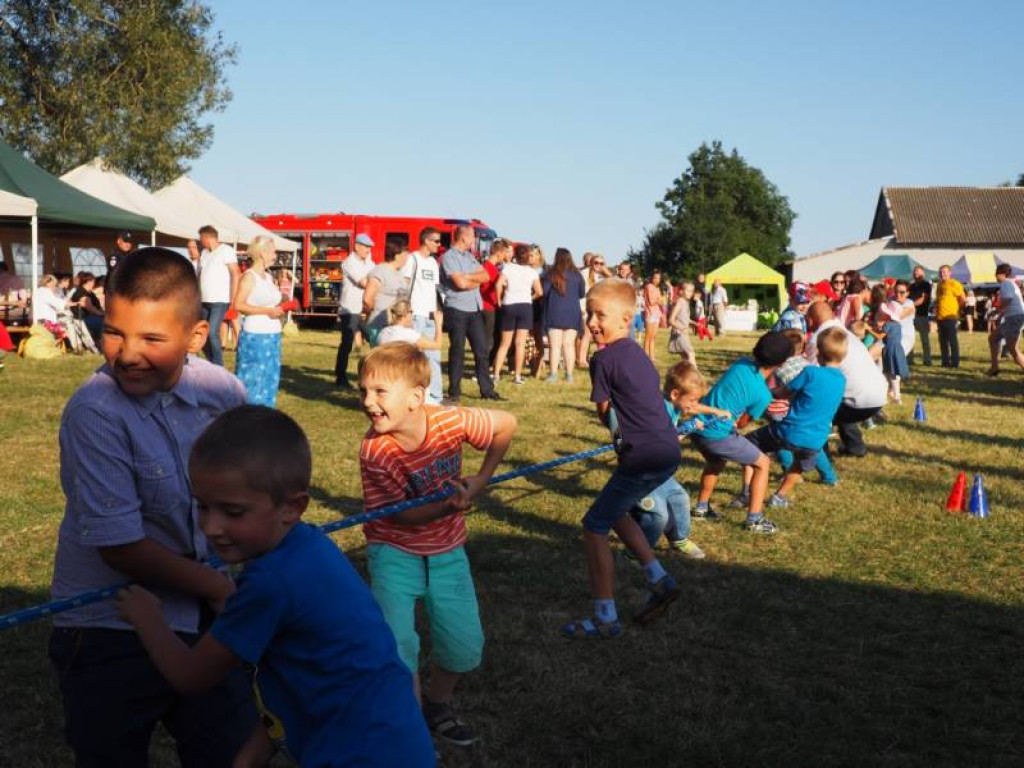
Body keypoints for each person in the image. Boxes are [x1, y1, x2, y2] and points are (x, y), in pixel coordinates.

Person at [117, 406, 436, 767]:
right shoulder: (310, 547)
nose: (211, 527)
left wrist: (147, 618)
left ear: (292, 507)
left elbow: (191, 676)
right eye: (202, 506)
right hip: (400, 740)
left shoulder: (269, 583)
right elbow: (298, 673)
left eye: (232, 512)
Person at [47, 248, 258, 766]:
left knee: (231, 749)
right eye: (114, 332)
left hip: (208, 616)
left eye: (152, 339)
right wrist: (217, 587)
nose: (127, 354)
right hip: (110, 627)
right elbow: (120, 547)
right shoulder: (95, 413)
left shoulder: (223, 392)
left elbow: (251, 485)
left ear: (196, 336)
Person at [357, 342, 517, 746]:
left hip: (447, 552)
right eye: (364, 391)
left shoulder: (449, 421)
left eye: (379, 392)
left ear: (416, 397)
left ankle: (437, 703)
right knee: (397, 647)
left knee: (464, 644)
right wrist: (447, 505)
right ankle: (412, 730)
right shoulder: (376, 451)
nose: (368, 402)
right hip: (393, 553)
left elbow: (506, 424)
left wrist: (481, 480)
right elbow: (400, 516)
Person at [561, 279, 682, 639]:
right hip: (667, 451)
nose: (592, 322)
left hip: (642, 455)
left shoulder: (603, 359)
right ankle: (659, 578)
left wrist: (619, 427)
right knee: (614, 510)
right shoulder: (639, 353)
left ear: (627, 318)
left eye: (600, 315)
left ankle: (605, 618)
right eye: (589, 314)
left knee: (594, 525)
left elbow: (604, 412)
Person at [623, 363, 728, 560]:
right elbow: (660, 439)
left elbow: (692, 407)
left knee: (680, 498)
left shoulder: (675, 404)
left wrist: (714, 411)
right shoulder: (658, 410)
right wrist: (686, 428)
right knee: (657, 515)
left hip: (658, 470)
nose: (694, 404)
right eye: (692, 399)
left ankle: (679, 539)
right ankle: (635, 553)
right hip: (641, 472)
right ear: (675, 394)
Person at [689, 332, 792, 533]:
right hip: (717, 436)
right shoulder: (763, 395)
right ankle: (754, 520)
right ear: (781, 363)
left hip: (697, 426)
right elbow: (743, 424)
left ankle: (701, 508)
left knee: (716, 461)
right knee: (763, 463)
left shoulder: (740, 364)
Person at [741, 328, 847, 509]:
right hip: (816, 439)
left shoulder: (811, 372)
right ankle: (779, 497)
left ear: (818, 353)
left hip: (789, 431)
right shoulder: (842, 380)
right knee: (799, 465)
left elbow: (785, 392)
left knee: (748, 444)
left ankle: (746, 492)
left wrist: (769, 392)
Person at [806, 302, 887, 457]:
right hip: (879, 397)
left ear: (811, 320)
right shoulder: (844, 333)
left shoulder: (819, 339)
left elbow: (814, 377)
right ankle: (855, 448)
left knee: (817, 410)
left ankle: (819, 455)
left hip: (856, 402)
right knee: (841, 401)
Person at [440, 225, 500, 402]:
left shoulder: (470, 257)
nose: (474, 240)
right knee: (457, 351)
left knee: (482, 351)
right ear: (463, 238)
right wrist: (470, 279)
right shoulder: (449, 257)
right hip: (457, 309)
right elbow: (460, 284)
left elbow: (485, 277)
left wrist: (467, 277)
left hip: (474, 309)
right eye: (473, 236)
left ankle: (487, 390)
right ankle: (454, 391)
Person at [233, 236, 285, 408]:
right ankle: (248, 415)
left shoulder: (268, 277)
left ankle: (266, 414)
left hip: (273, 335)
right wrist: (267, 311)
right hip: (256, 337)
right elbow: (238, 305)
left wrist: (278, 309)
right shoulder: (249, 277)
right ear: (262, 253)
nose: (275, 256)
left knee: (270, 378)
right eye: (273, 252)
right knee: (253, 380)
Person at [402, 227, 445, 403]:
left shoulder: (433, 263)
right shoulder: (412, 259)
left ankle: (435, 396)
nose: (439, 244)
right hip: (415, 315)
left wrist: (437, 312)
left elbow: (435, 290)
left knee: (434, 355)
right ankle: (410, 394)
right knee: (414, 357)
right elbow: (404, 286)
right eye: (436, 241)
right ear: (426, 241)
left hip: (430, 316)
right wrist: (406, 313)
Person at [492, 243, 542, 385]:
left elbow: (498, 284)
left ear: (515, 255)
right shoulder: (532, 272)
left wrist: (499, 299)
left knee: (504, 343)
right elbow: (539, 292)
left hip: (509, 305)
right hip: (525, 307)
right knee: (520, 343)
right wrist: (530, 298)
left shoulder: (508, 268)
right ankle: (518, 376)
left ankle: (496, 374)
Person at [194, 225, 239, 367]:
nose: (200, 241)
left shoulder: (226, 250)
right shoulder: (204, 253)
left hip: (220, 300)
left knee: (212, 332)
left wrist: (233, 297)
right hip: (204, 300)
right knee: (202, 333)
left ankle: (219, 366)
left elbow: (235, 273)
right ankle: (211, 362)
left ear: (207, 237)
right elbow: (200, 275)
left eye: (201, 238)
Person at [334, 233, 376, 389]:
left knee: (374, 339)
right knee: (347, 344)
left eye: (370, 247)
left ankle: (373, 374)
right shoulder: (349, 262)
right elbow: (365, 283)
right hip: (350, 309)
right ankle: (340, 377)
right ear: (357, 246)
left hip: (365, 308)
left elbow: (376, 279)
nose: (368, 250)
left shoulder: (369, 262)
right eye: (366, 247)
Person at [542, 247, 586, 382]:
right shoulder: (577, 275)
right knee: (569, 345)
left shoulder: (551, 274)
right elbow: (581, 294)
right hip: (572, 313)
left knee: (555, 345)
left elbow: (544, 292)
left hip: (554, 311)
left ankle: (553, 374)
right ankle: (569, 375)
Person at [867, 284, 911, 404]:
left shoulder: (888, 325)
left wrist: (869, 329)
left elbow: (880, 336)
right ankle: (896, 394)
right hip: (896, 349)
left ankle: (888, 395)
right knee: (894, 373)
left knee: (886, 373)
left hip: (889, 350)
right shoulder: (897, 325)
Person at [363, 242, 411, 344]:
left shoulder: (399, 273)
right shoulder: (380, 271)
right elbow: (367, 299)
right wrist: (377, 313)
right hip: (380, 326)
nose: (407, 258)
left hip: (396, 328)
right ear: (397, 256)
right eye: (405, 255)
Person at [987, 264, 1024, 375]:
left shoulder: (1006, 284)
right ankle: (994, 367)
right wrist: (1000, 313)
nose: (995, 276)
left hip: (1014, 318)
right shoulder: (1010, 283)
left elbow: (1008, 299)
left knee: (1012, 348)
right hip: (1012, 317)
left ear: (1002, 274)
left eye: (996, 274)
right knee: (993, 338)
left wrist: (997, 311)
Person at [577, 253, 610, 366]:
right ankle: (582, 360)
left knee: (599, 333)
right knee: (587, 334)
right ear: (591, 263)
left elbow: (615, 284)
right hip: (587, 309)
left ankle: (600, 357)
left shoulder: (603, 276)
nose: (598, 265)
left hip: (600, 308)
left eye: (601, 263)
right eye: (596, 263)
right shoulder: (585, 273)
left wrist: (607, 273)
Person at [480, 238, 509, 365]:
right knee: (488, 339)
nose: (505, 256)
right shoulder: (489, 268)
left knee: (489, 338)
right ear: (498, 252)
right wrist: (498, 301)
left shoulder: (488, 267)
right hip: (488, 307)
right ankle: (483, 366)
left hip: (487, 306)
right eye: (504, 253)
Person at [377, 299, 443, 352]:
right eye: (411, 312)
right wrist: (438, 323)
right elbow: (437, 345)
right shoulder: (409, 334)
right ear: (405, 314)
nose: (412, 315)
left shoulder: (383, 332)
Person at [934, 264, 966, 368]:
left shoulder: (954, 283)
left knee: (952, 341)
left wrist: (957, 309)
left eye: (944, 272)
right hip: (940, 317)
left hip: (950, 317)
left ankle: (955, 363)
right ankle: (945, 362)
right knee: (942, 341)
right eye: (940, 272)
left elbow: (962, 298)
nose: (942, 274)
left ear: (950, 273)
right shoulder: (939, 285)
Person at [907, 265, 933, 366]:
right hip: (910, 316)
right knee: (910, 338)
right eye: (915, 272)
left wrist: (910, 305)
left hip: (922, 315)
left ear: (923, 273)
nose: (916, 274)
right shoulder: (911, 286)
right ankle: (909, 359)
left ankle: (927, 360)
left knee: (924, 339)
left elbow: (923, 299)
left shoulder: (926, 285)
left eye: (918, 272)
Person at [667, 280, 698, 365]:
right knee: (691, 353)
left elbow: (684, 318)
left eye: (692, 291)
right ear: (681, 291)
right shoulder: (680, 302)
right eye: (688, 291)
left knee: (685, 357)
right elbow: (671, 320)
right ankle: (695, 372)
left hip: (684, 333)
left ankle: (685, 372)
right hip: (679, 333)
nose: (691, 293)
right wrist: (681, 328)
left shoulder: (686, 302)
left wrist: (694, 323)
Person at [69, 271, 104, 345]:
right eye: (93, 281)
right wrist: (101, 314)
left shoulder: (88, 292)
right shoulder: (82, 292)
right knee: (105, 323)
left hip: (89, 317)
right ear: (89, 281)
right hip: (84, 318)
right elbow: (89, 307)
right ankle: (99, 343)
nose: (94, 283)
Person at [642, 271, 664, 361]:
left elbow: (662, 302)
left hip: (656, 313)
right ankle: (645, 355)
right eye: (655, 278)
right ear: (651, 278)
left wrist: (659, 301)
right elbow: (651, 301)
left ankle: (651, 355)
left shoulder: (657, 288)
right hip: (650, 313)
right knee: (648, 336)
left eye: (658, 278)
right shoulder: (649, 287)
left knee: (653, 336)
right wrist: (659, 301)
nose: (657, 280)